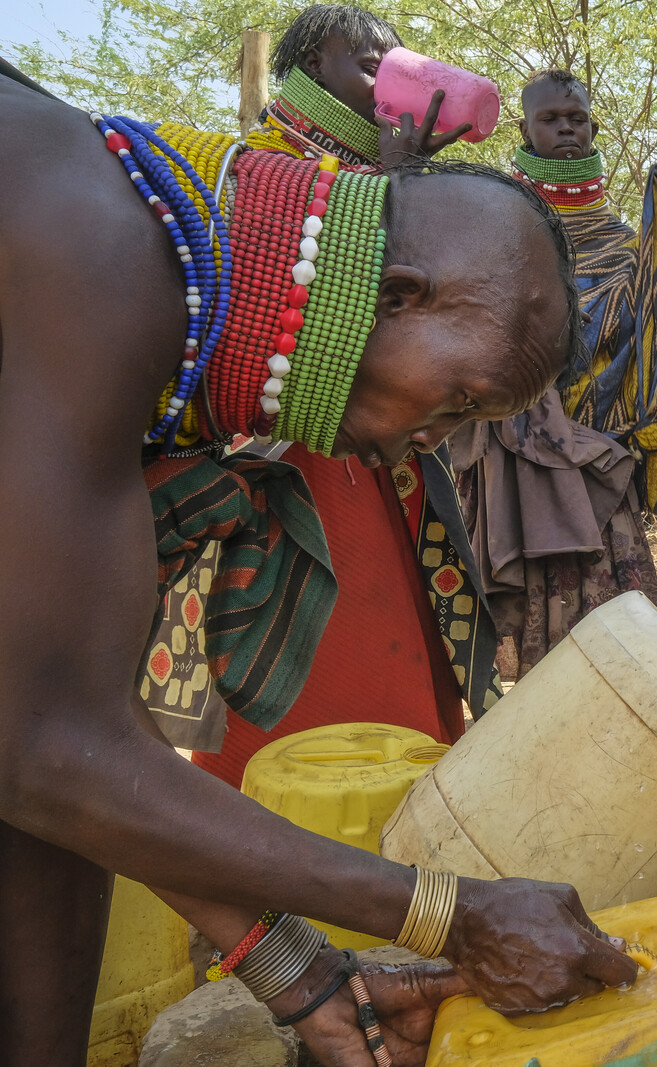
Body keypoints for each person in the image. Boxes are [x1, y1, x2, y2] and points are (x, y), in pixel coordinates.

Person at [0, 76, 635, 1066]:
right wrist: (449, 915)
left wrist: (298, 969)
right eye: (455, 402)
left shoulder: (133, 257)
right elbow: (44, 750)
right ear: (393, 293)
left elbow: (64, 769)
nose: (419, 446)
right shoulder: (102, 269)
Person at [143, 4, 504, 783]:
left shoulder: (388, 169)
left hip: (387, 470)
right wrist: (396, 187)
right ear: (313, 61)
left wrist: (405, 182)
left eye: (399, 66)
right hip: (286, 472)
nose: (386, 82)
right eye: (371, 64)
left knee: (402, 662)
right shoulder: (252, 170)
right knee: (296, 668)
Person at [451, 68, 657, 677]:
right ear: (524, 129)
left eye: (577, 119)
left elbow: (648, 329)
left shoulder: (620, 242)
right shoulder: (495, 228)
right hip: (512, 449)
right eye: (550, 119)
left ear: (592, 128)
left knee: (617, 635)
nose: (566, 129)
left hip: (598, 453)